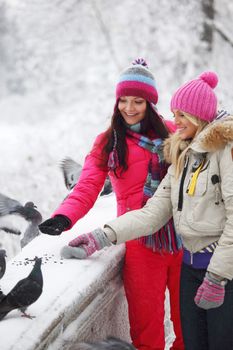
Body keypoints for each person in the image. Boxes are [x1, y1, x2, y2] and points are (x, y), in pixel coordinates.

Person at [55, 71, 233, 350]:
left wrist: (217, 276)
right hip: (167, 256)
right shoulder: (175, 154)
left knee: (209, 338)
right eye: (175, 114)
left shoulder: (209, 146)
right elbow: (148, 211)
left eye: (183, 115)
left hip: (205, 262)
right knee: (172, 337)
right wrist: (89, 232)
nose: (176, 121)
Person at [39, 58, 184, 350]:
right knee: (146, 331)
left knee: (191, 326)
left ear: (150, 103)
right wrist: (64, 217)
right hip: (140, 245)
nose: (129, 108)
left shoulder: (174, 133)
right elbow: (88, 185)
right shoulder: (108, 142)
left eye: (138, 101)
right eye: (124, 100)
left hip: (183, 238)